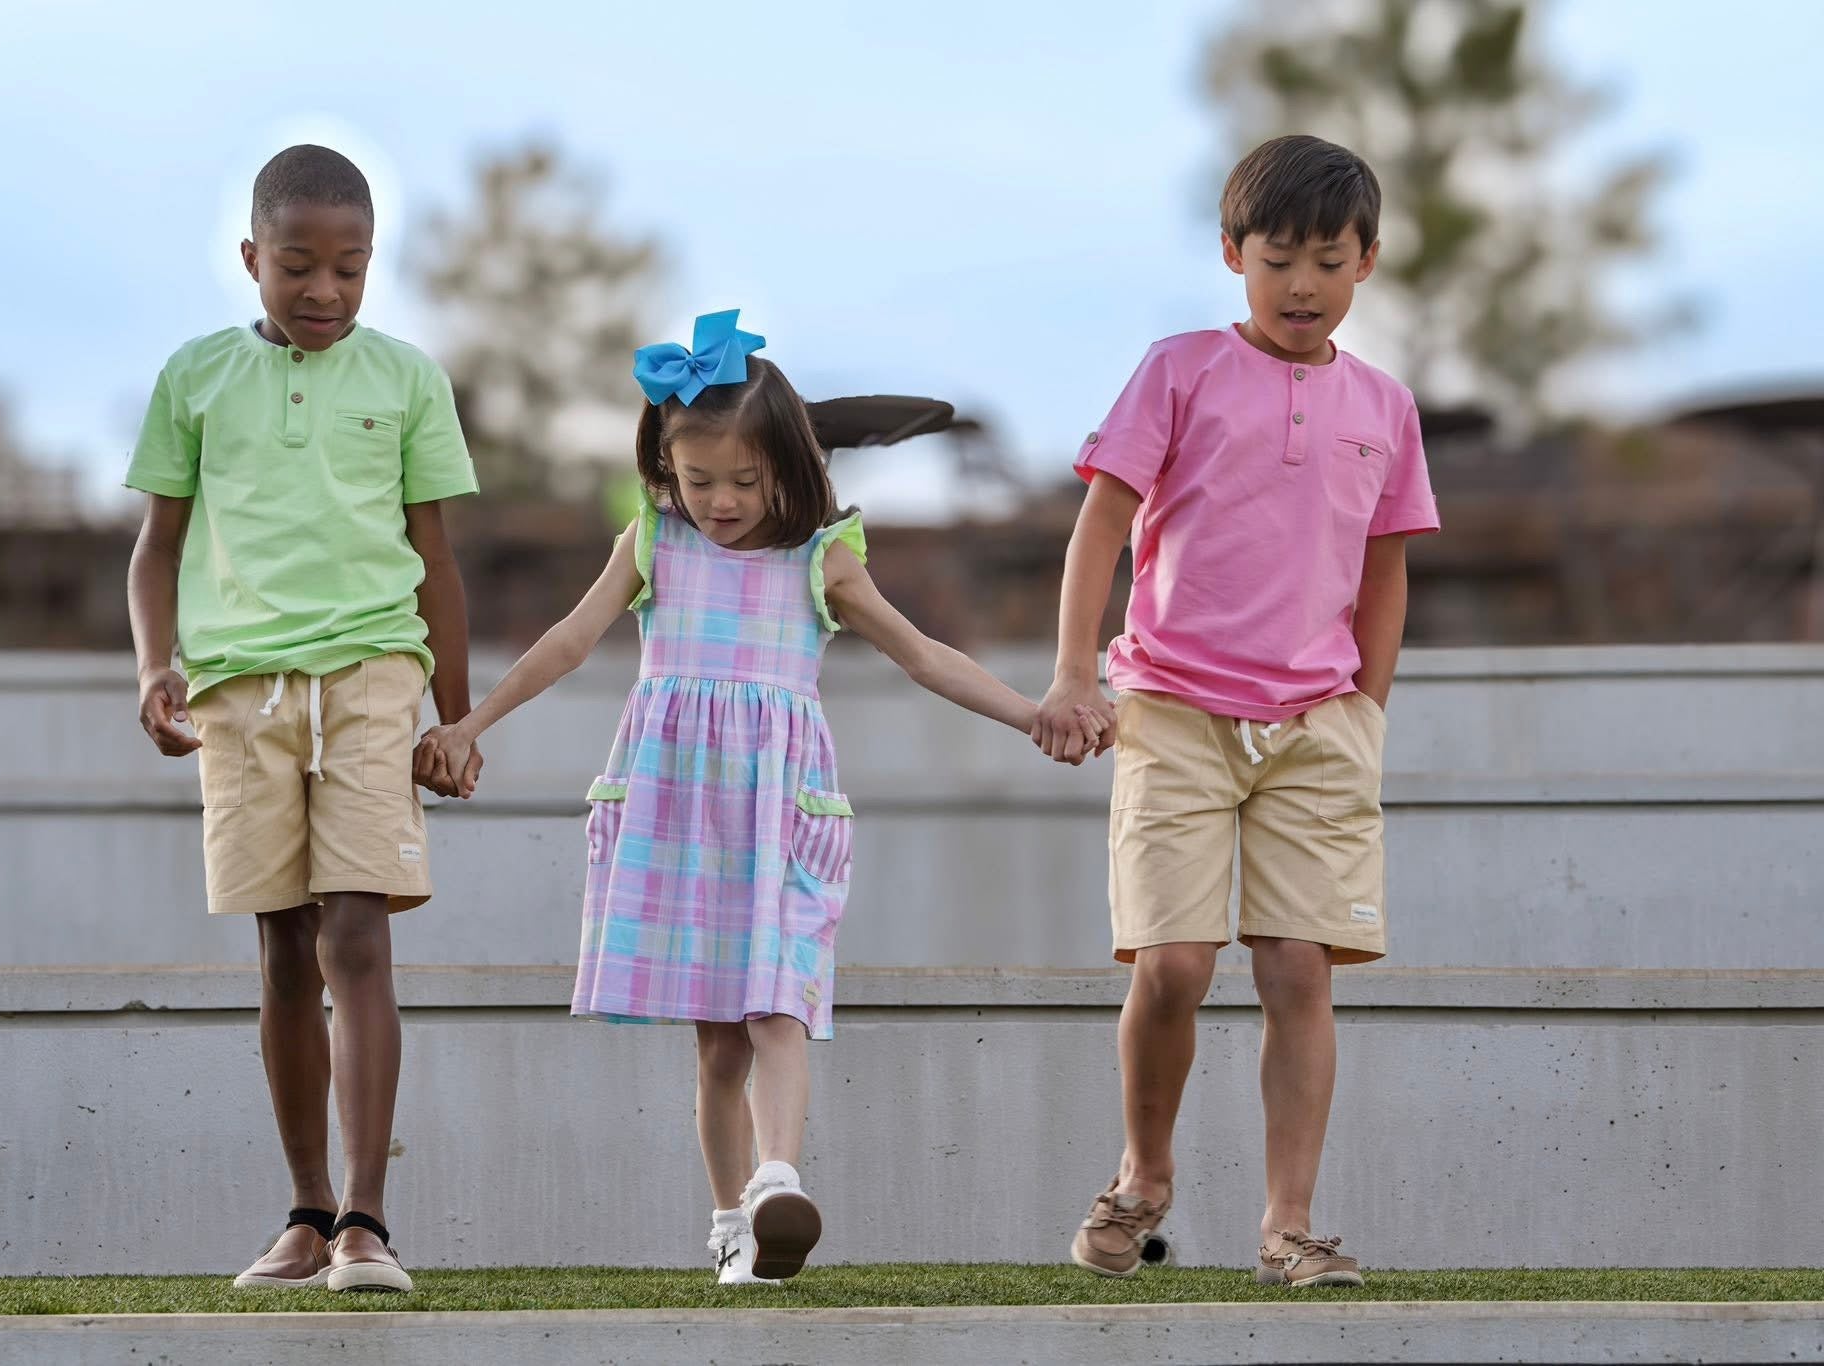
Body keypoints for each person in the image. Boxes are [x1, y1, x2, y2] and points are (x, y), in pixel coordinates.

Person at [420, 310, 1075, 1284]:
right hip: (681, 816)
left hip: (778, 817)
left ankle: (776, 1184)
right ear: (665, 469)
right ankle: (732, 1222)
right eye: (698, 480)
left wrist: (1030, 715)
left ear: (788, 467)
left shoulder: (821, 558)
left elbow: (923, 656)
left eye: (743, 479)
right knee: (719, 1045)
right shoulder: (654, 542)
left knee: (779, 1008)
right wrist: (471, 722)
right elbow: (566, 641)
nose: (720, 501)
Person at [1034, 135, 1440, 1288]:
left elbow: (1384, 569)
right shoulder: (1178, 370)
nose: (1300, 285)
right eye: (1276, 260)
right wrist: (1074, 671)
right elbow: (1102, 522)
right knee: (1170, 963)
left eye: (1327, 260)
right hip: (1172, 705)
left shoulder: (1384, 405)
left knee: (1299, 967)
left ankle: (1287, 1226)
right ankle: (1142, 1175)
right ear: (1231, 254)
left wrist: (1363, 709)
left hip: (1316, 723)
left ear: (1366, 260)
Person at [125, 144, 483, 1294]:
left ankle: (369, 1221)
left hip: (373, 675)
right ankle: (307, 1212)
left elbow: (437, 560)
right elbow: (157, 548)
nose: (324, 289)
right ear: (251, 258)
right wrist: (154, 666)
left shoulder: (407, 379)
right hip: (239, 690)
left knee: (356, 933)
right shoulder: (193, 378)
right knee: (283, 949)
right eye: (296, 266)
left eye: (349, 266)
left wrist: (457, 717)